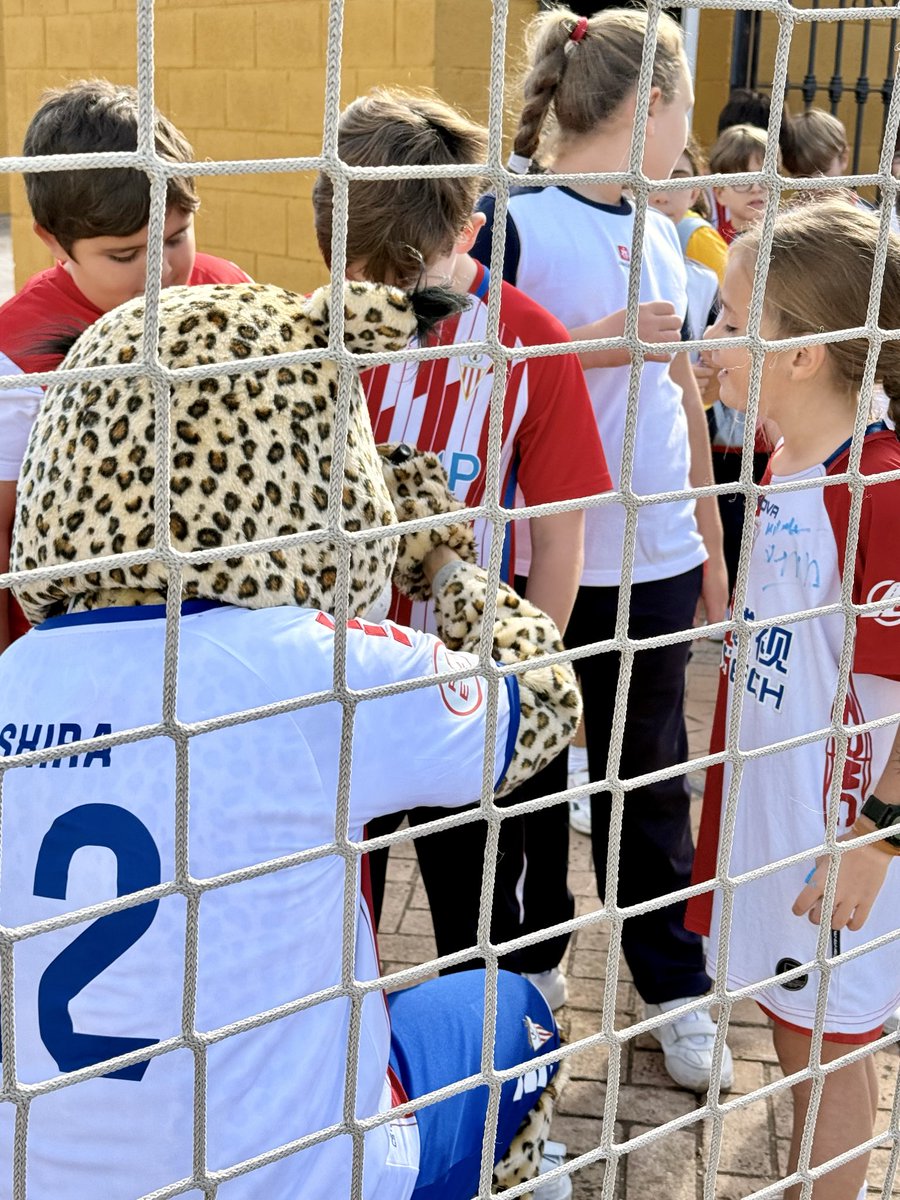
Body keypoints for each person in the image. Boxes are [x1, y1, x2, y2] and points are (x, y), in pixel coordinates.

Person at [0, 278, 583, 1200]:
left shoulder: (13, 675)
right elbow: (545, 700)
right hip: (295, 1179)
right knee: (510, 1012)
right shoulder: (309, 666)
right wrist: (437, 561)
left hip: (34, 1177)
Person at [472, 6, 734, 1092]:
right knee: (530, 776)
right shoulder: (514, 221)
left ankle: (669, 982)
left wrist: (714, 549)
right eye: (684, 112)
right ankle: (532, 976)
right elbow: (474, 373)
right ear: (650, 107)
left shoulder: (665, 228)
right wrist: (595, 345)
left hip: (661, 552)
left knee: (652, 780)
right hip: (549, 561)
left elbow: (677, 394)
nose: (691, 140)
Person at [312, 88, 611, 1012]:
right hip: (337, 681)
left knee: (483, 923)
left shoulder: (529, 343)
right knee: (328, 911)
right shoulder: (306, 329)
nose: (385, 306)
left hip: (462, 683)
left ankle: (502, 1104)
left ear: (471, 232)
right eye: (364, 281)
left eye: (412, 283)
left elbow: (561, 534)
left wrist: (521, 672)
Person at [687, 200, 900, 1200]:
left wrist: (877, 835)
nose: (712, 340)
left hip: (838, 840)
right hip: (770, 823)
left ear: (808, 352)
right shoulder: (785, 458)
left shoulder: (881, 493)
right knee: (794, 1030)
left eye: (733, 322)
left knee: (832, 1048)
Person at [0, 79, 251, 653]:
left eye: (176, 238)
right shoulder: (16, 352)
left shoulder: (229, 291)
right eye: (124, 254)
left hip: (220, 631)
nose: (161, 270)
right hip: (75, 649)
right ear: (53, 241)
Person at [708, 123, 772, 245]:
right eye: (743, 180)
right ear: (720, 194)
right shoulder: (715, 244)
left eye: (765, 177)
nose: (756, 188)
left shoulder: (792, 236)